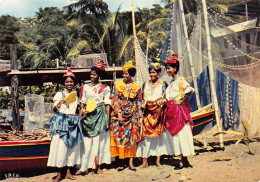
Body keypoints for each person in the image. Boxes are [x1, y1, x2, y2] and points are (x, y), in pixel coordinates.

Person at [47, 68, 83, 182]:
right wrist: (60, 102)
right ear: (64, 83)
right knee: (61, 147)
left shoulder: (76, 95)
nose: (69, 84)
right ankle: (59, 174)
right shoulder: (59, 94)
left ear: (74, 83)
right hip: (62, 122)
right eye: (67, 82)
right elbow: (54, 107)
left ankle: (68, 172)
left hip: (73, 122)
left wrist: (82, 113)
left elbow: (76, 110)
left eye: (71, 82)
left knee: (71, 147)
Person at [76, 59, 111, 174]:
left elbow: (107, 104)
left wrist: (108, 120)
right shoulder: (85, 87)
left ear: (99, 76)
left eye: (94, 74)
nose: (92, 76)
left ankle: (97, 166)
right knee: (87, 142)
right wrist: (83, 111)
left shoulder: (105, 88)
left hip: (100, 115)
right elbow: (83, 101)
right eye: (91, 74)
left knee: (99, 141)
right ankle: (85, 167)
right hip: (88, 116)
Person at [110, 61, 143, 171]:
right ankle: (122, 162)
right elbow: (114, 99)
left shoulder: (137, 86)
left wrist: (139, 116)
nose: (124, 76)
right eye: (123, 73)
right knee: (120, 137)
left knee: (131, 138)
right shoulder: (117, 85)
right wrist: (118, 113)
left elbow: (139, 101)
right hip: (119, 113)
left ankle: (131, 162)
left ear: (131, 74)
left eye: (126, 73)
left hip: (132, 113)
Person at [164, 53, 195, 169]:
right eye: (167, 69)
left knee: (182, 133)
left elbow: (190, 90)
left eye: (169, 68)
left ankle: (184, 160)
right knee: (176, 135)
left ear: (175, 68)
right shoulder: (171, 83)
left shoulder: (181, 80)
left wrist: (181, 100)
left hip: (179, 111)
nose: (168, 71)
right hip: (172, 111)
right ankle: (183, 159)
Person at [136, 59, 168, 168]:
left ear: (158, 73)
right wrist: (142, 105)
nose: (152, 74)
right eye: (150, 72)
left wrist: (162, 103)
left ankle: (158, 161)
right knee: (145, 137)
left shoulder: (164, 84)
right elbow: (141, 98)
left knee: (159, 136)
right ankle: (145, 162)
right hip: (147, 113)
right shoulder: (145, 84)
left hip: (158, 113)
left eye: (154, 72)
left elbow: (167, 98)